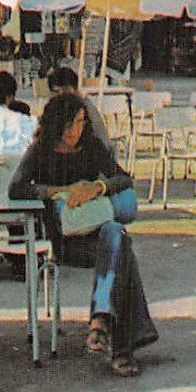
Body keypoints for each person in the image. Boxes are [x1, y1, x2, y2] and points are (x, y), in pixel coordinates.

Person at [9, 92, 157, 377]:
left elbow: (123, 177)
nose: (76, 130)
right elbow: (16, 188)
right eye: (70, 124)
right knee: (122, 250)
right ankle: (119, 343)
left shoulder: (91, 147)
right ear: (56, 125)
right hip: (65, 240)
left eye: (80, 123)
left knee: (116, 234)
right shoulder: (40, 152)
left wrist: (96, 188)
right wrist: (56, 192)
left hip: (99, 235)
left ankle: (101, 322)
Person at [46, 66, 112, 154]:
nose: (62, 97)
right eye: (57, 92)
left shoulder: (85, 109)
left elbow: (103, 146)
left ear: (76, 90)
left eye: (66, 92)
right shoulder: (52, 110)